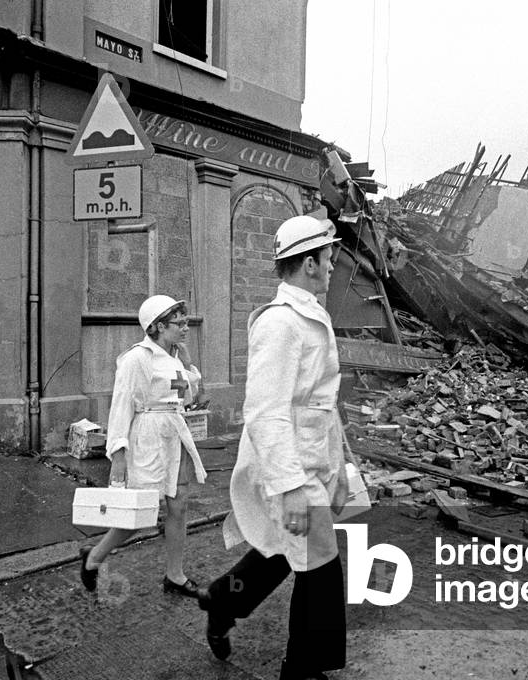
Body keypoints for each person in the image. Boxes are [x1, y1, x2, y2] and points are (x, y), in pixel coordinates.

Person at [199, 215, 351, 680]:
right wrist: (288, 488)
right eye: (327, 257)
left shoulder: (309, 314)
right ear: (308, 263)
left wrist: (342, 468)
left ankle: (224, 598)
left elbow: (323, 402)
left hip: (311, 459)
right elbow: (265, 411)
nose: (332, 265)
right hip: (287, 467)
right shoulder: (280, 324)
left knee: (282, 552)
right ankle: (303, 669)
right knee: (320, 562)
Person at [79, 295, 207, 598]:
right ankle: (94, 557)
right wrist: (119, 458)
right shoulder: (137, 358)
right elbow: (121, 407)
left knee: (179, 504)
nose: (186, 327)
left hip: (174, 436)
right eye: (180, 322)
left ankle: (175, 576)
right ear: (159, 326)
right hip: (147, 440)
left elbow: (189, 399)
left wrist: (187, 364)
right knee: (141, 514)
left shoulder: (174, 356)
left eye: (186, 320)